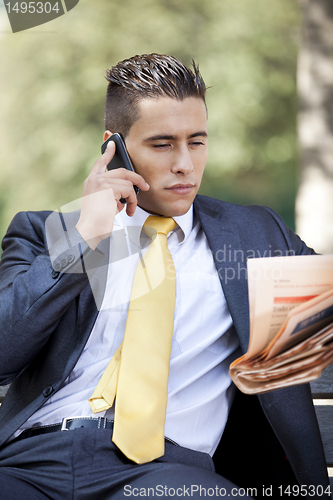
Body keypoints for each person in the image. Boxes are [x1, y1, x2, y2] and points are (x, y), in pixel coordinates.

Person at [0, 53, 330, 500]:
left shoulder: (255, 237)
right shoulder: (48, 233)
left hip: (165, 476)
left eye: (196, 142)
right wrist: (84, 241)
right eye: (162, 144)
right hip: (30, 463)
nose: (184, 164)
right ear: (113, 146)